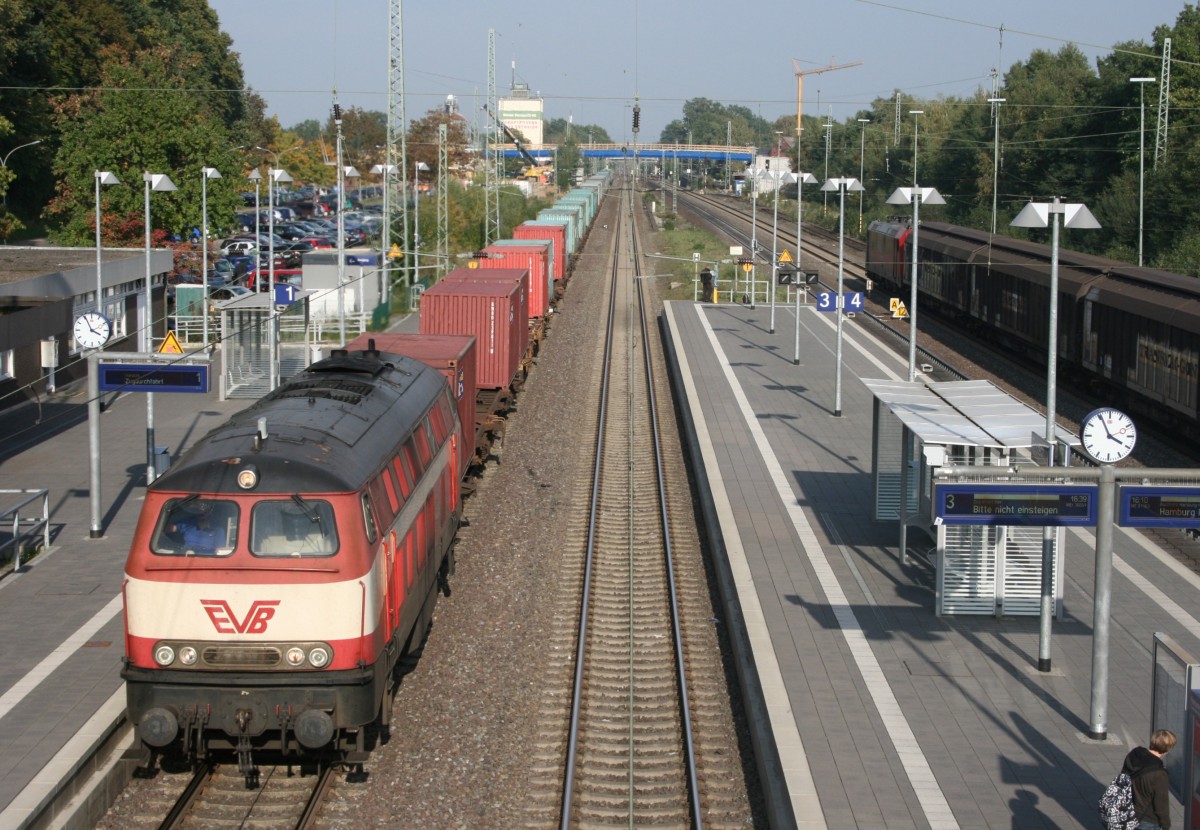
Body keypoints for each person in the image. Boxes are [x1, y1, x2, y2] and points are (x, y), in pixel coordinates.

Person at [1122, 728, 1177, 829]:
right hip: (1147, 820)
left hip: (1127, 812)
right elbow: (1161, 804)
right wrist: (1165, 825)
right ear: (1167, 749)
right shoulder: (1159, 774)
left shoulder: (1134, 754)